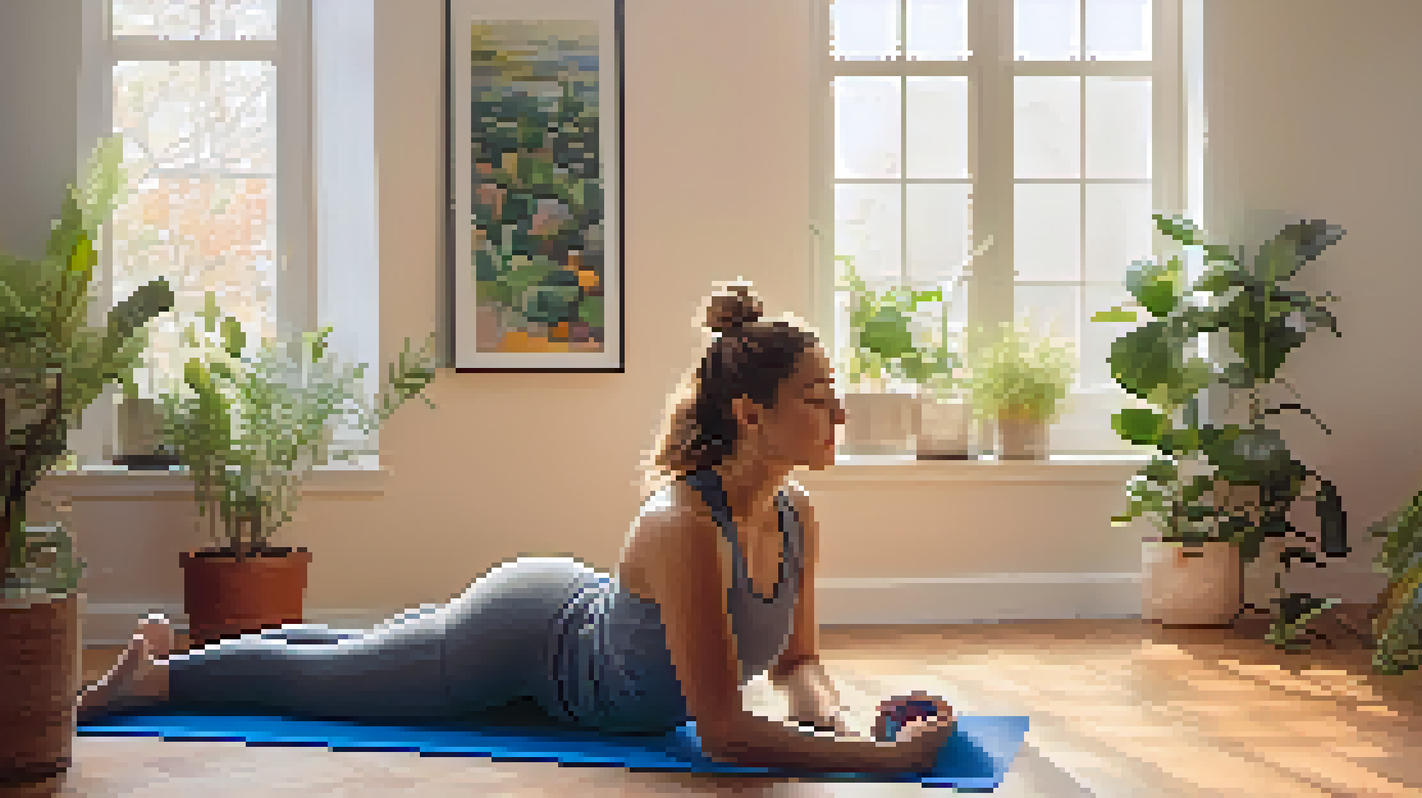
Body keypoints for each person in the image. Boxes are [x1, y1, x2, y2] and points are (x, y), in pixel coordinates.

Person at [76, 282, 959, 774]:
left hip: (558, 615)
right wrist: (888, 769)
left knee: (369, 647)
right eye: (816, 394)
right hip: (525, 640)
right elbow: (722, 730)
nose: (840, 410)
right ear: (751, 413)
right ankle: (150, 686)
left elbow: (799, 664)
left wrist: (843, 726)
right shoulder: (688, 521)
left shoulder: (798, 514)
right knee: (343, 679)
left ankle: (162, 664)